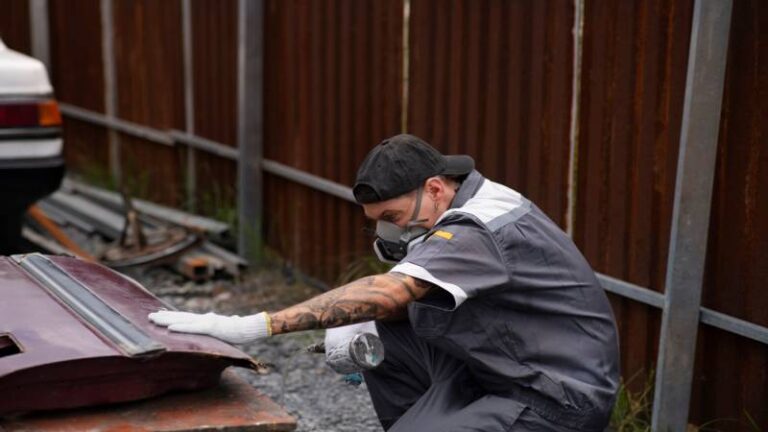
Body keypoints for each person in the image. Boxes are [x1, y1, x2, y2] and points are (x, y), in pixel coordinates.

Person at [149, 134, 620, 431]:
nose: (389, 233)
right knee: (378, 336)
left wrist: (252, 326)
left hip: (554, 398)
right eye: (378, 222)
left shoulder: (477, 228)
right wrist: (356, 325)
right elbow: (397, 303)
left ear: (434, 188)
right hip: (501, 365)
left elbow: (392, 289)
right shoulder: (468, 196)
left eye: (392, 218)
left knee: (383, 311)